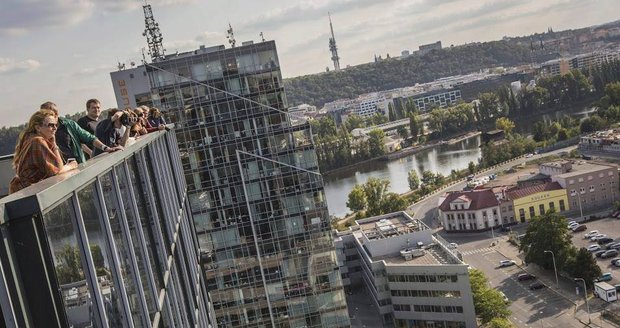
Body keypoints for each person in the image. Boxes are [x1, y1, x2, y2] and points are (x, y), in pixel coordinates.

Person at [9, 110, 78, 193]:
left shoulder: (30, 138)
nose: (55, 128)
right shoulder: (38, 141)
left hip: (23, 190)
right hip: (27, 192)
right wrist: (70, 166)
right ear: (38, 127)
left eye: (56, 125)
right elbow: (56, 170)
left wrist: (53, 143)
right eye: (51, 125)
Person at [40, 101, 121, 163]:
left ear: (56, 114)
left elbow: (89, 138)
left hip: (77, 165)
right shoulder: (40, 130)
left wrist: (106, 148)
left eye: (47, 114)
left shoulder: (69, 125)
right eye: (42, 115)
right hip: (59, 170)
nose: (44, 117)